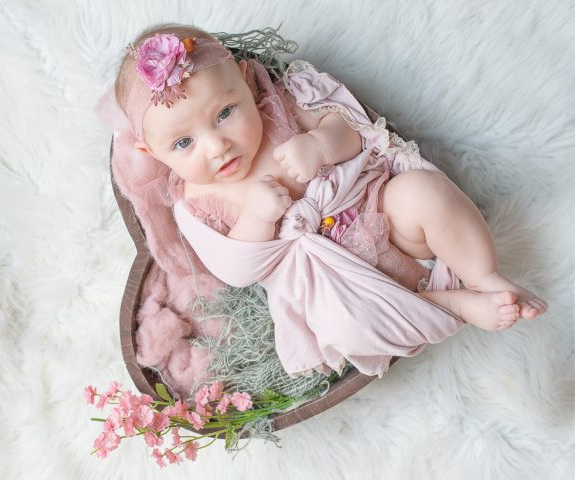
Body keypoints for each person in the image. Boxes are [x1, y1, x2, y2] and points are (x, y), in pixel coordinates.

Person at [110, 24, 547, 378]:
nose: (216, 146)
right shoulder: (194, 201)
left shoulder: (280, 106)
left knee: (422, 192)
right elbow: (234, 270)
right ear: (154, 154)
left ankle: (485, 275)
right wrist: (259, 220)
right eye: (184, 142)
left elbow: (354, 129)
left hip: (382, 214)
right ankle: (452, 306)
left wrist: (320, 144)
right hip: (326, 286)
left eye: (225, 114)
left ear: (247, 82)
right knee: (341, 327)